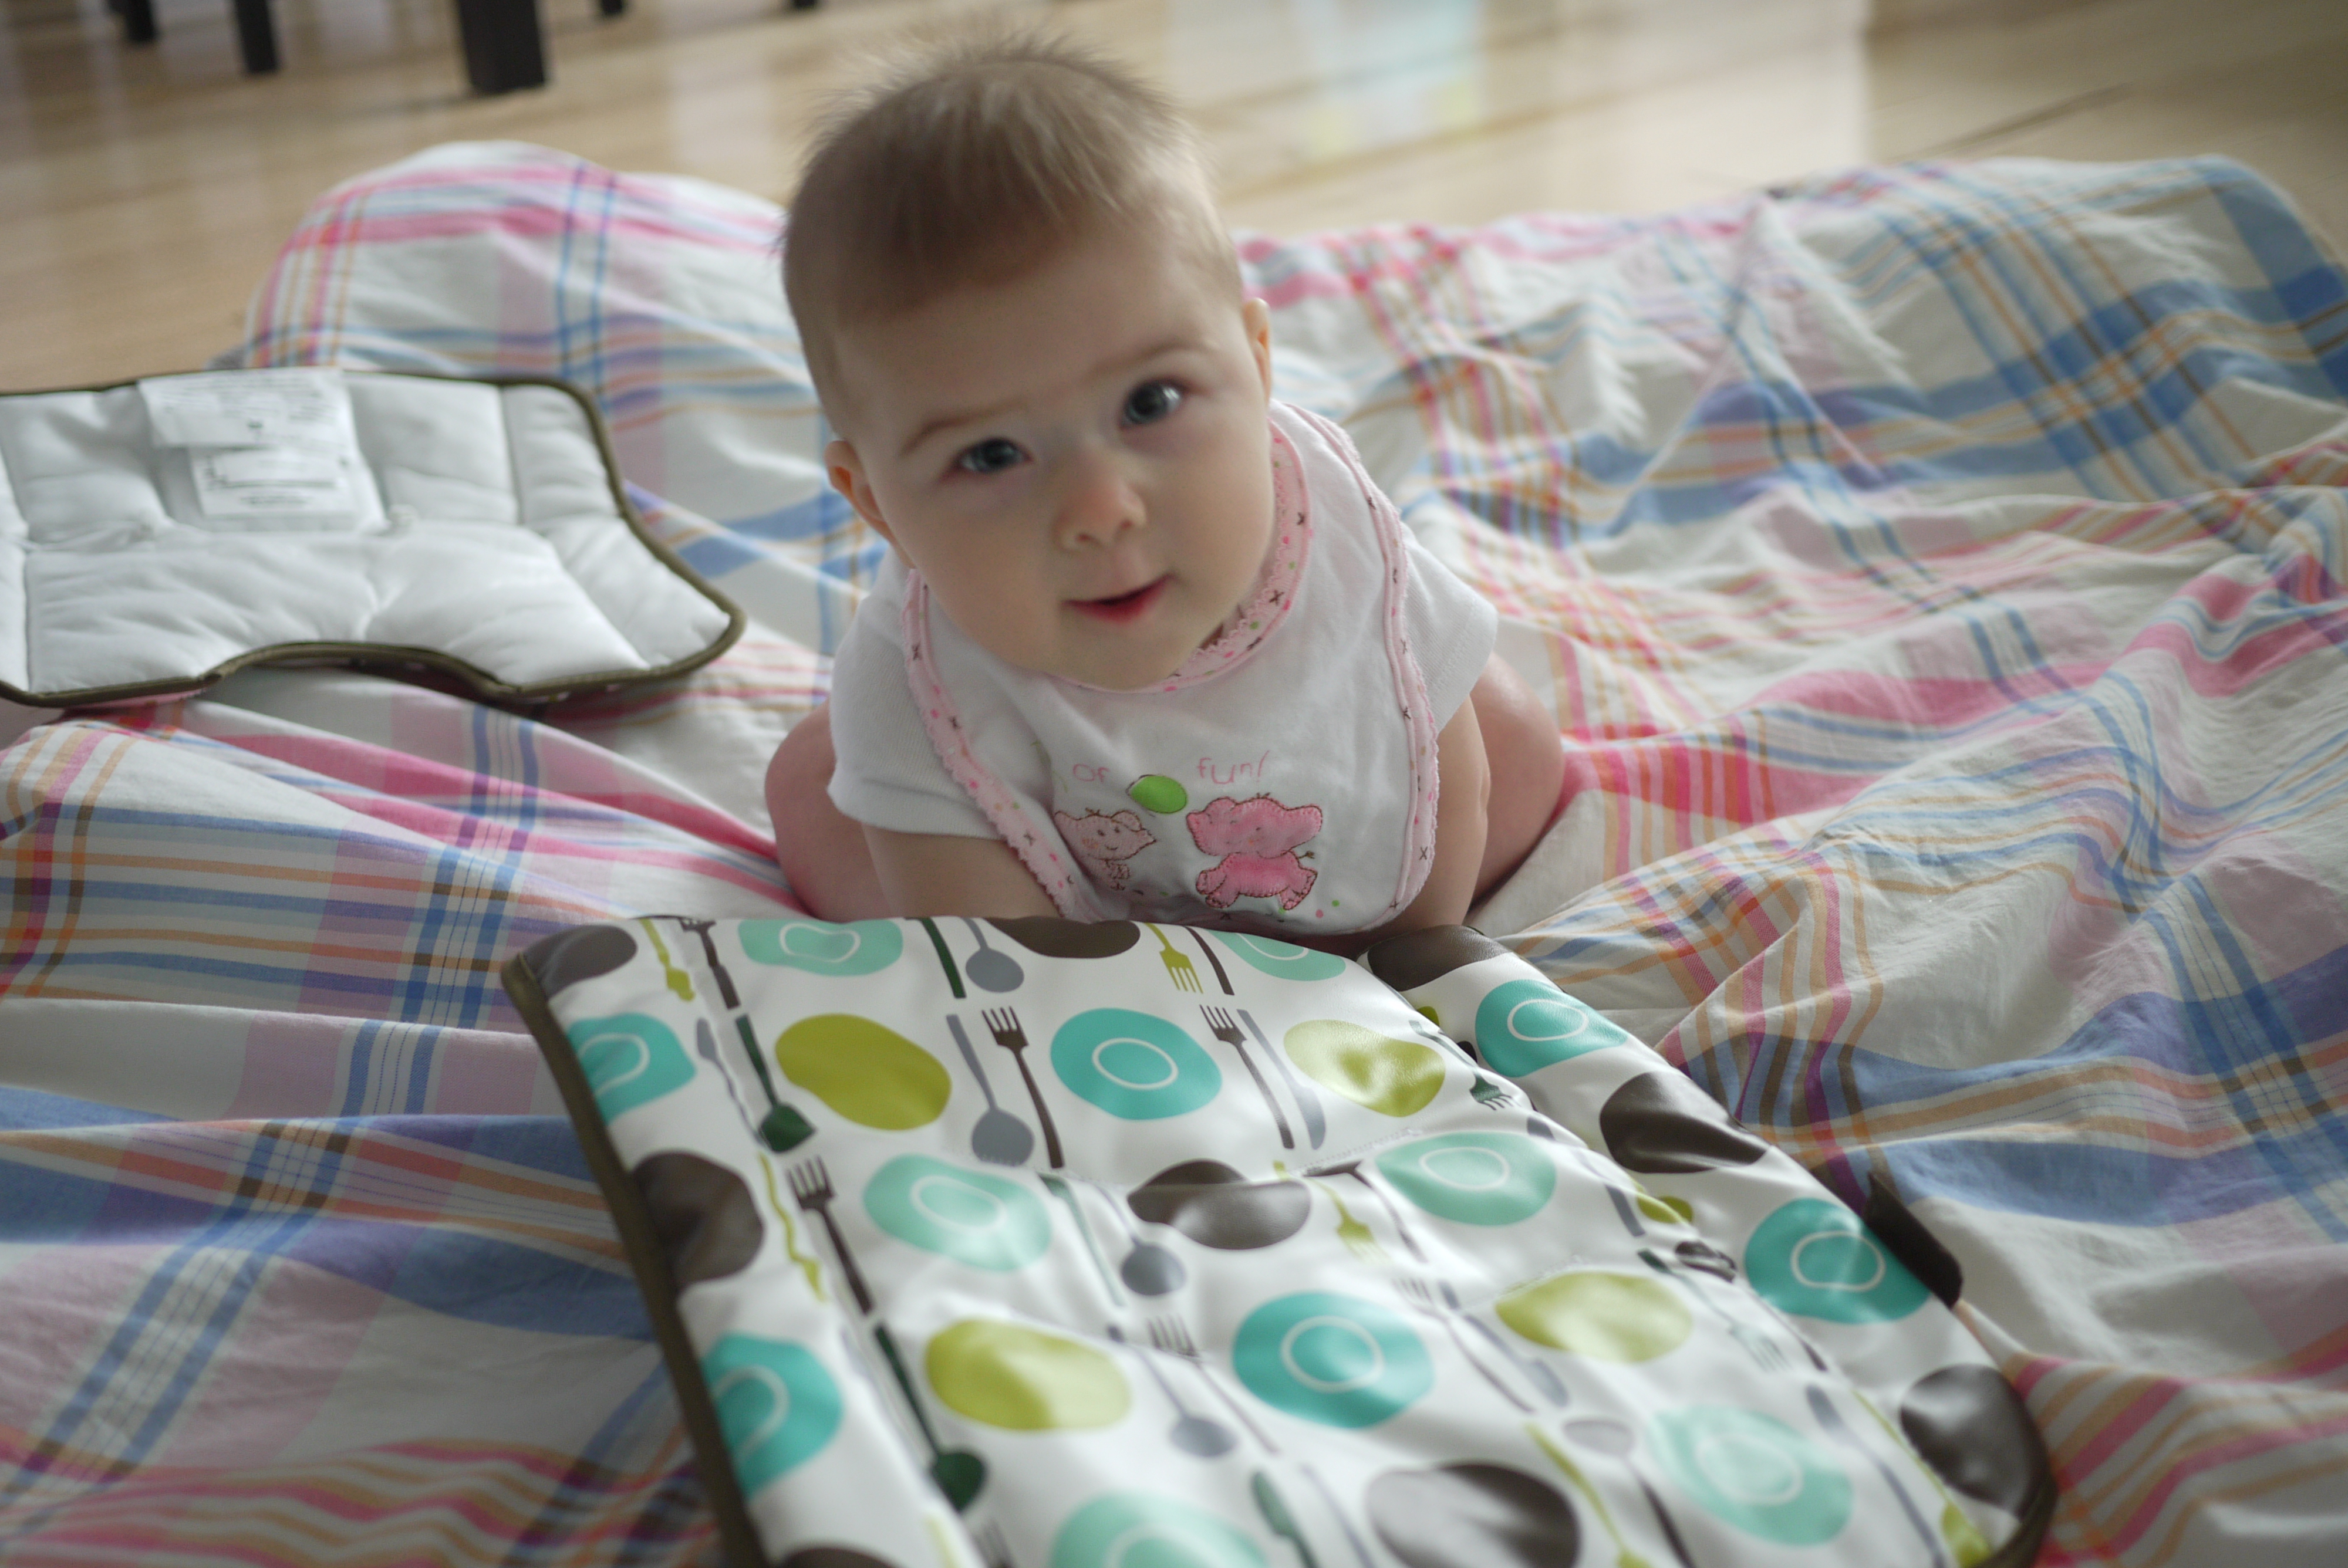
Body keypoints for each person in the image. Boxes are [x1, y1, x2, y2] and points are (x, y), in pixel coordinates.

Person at [764, 31, 1563, 951]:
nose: (1101, 508)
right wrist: (1075, 981)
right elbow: (1006, 952)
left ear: (1256, 366)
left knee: (1514, 739)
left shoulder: (1340, 541)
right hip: (1059, 883)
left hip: (1328, 848)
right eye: (990, 456)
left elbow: (1449, 779)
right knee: (817, 788)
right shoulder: (921, 675)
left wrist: (1417, 952)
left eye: (1150, 403)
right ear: (876, 506)